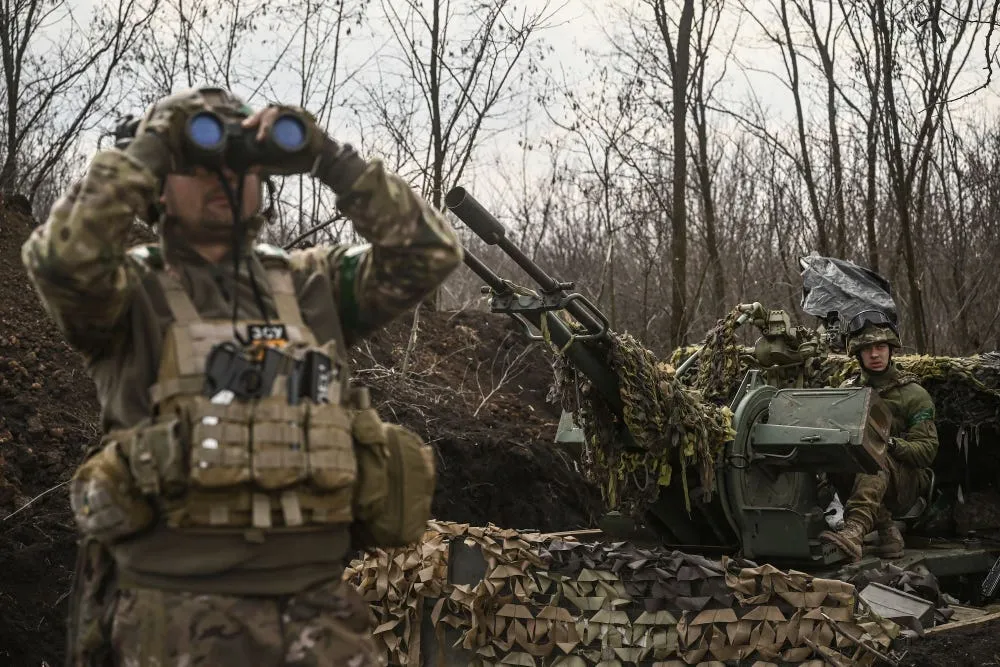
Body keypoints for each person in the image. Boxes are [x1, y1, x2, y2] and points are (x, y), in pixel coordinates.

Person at [21, 87, 462, 665]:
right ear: (157, 185)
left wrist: (328, 157)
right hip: (174, 614)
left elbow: (428, 251)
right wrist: (154, 144)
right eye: (195, 165)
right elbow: (60, 260)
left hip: (319, 612)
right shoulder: (128, 295)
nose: (219, 179)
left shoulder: (312, 285)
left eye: (238, 164)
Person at [819, 310, 939, 562]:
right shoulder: (848, 392)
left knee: (874, 455)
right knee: (836, 457)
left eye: (881, 346)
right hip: (860, 482)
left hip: (905, 485)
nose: (875, 354)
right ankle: (886, 530)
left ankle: (855, 531)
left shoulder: (913, 394)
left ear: (890, 349)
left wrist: (890, 445)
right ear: (858, 354)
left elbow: (927, 450)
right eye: (867, 348)